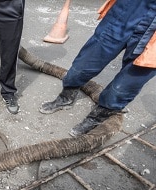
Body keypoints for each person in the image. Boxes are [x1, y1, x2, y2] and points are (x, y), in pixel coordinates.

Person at [39, 0, 156, 136]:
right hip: (130, 8)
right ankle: (66, 97)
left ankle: (98, 116)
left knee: (127, 83)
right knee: (87, 61)